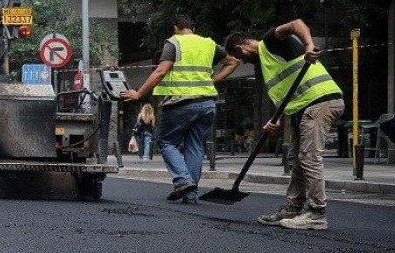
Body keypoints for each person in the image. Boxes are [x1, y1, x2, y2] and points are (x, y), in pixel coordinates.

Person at [222, 20, 344, 230]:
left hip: (320, 100)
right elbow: (286, 93)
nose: (242, 62)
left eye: (240, 58)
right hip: (303, 107)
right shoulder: (266, 63)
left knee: (309, 157)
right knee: (295, 158)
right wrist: (275, 119)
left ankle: (316, 213)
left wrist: (308, 44)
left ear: (240, 48)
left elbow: (296, 23)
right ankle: (293, 208)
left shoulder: (270, 42)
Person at [120, 15, 236, 203]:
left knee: (166, 143)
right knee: (195, 146)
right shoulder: (209, 43)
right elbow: (233, 62)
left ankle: (183, 180)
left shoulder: (174, 43)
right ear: (193, 28)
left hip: (179, 103)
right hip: (206, 103)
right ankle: (190, 194)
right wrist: (211, 81)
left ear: (175, 27)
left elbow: (161, 71)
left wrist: (138, 94)